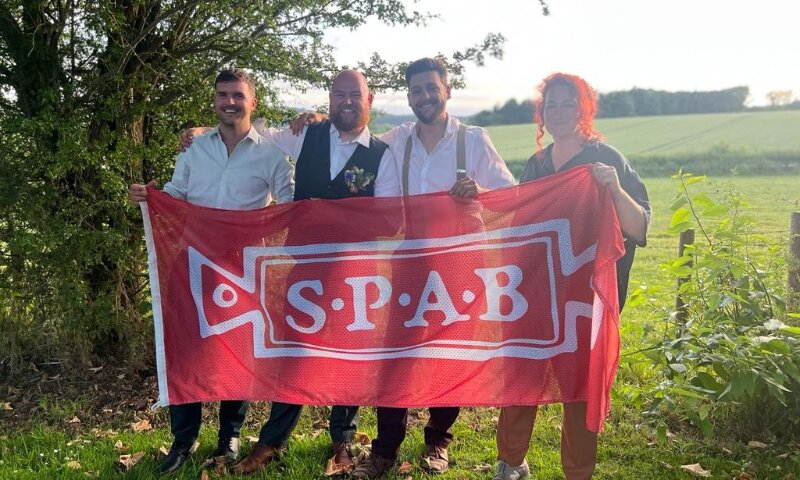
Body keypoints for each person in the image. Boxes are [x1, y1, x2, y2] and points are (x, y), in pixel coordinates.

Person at [182, 69, 400, 475]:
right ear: (330, 99)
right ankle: (269, 443)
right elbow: (253, 130)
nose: (347, 101)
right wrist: (203, 129)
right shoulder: (306, 135)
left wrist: (331, 217)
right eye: (339, 94)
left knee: (346, 359)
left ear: (369, 100)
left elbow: (388, 222)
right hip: (305, 272)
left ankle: (343, 441)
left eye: (355, 95)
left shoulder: (382, 155)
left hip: (355, 273)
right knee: (295, 356)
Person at [128, 68, 295, 475]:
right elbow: (176, 195)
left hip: (241, 268)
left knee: (234, 351)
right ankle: (183, 440)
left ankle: (230, 437)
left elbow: (290, 206)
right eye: (222, 95)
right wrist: (150, 197)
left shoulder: (270, 155)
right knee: (185, 349)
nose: (229, 102)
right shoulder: (194, 150)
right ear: (215, 100)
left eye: (237, 95)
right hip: (191, 263)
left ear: (252, 101)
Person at [493, 73, 651, 480]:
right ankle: (511, 463)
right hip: (539, 293)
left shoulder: (606, 161)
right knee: (522, 372)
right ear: (542, 114)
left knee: (580, 388)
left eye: (568, 104)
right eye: (552, 105)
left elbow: (640, 228)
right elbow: (518, 225)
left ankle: (578, 473)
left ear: (584, 109)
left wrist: (615, 189)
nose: (559, 112)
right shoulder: (537, 164)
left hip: (586, 299)